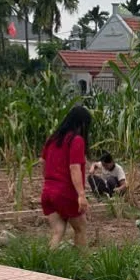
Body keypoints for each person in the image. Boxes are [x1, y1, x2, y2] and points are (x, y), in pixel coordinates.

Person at [41, 105, 91, 248]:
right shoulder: (76, 140)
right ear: (82, 124)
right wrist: (81, 195)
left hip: (48, 192)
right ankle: (84, 261)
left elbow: (42, 163)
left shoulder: (52, 140)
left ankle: (48, 260)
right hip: (65, 193)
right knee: (81, 228)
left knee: (58, 230)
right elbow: (74, 168)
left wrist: (50, 182)